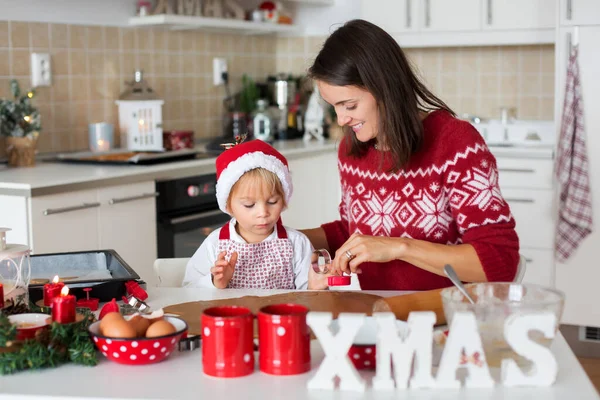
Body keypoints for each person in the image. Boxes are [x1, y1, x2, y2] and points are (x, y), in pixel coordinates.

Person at [301, 19, 520, 291]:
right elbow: (352, 232)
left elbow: (500, 261)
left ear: (384, 88)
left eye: (350, 105)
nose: (342, 119)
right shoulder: (351, 150)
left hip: (443, 317)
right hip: (379, 314)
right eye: (334, 107)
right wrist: (280, 236)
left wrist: (400, 248)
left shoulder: (455, 143)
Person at [182, 139, 327, 289]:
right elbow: (188, 288)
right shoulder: (214, 244)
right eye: (249, 205)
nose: (263, 213)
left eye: (272, 202)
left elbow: (308, 295)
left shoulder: (297, 243)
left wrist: (316, 287)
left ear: (284, 200)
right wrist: (215, 282)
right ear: (228, 206)